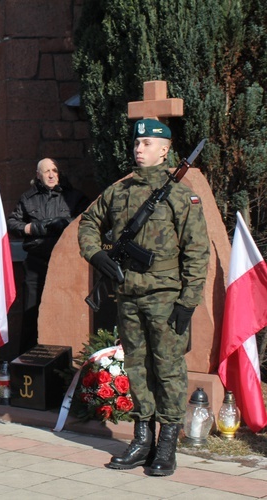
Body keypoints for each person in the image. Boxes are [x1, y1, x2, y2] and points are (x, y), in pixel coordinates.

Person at [78, 119, 210, 476]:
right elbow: (88, 222)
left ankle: (166, 444)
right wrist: (97, 255)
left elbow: (198, 252)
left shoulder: (182, 196)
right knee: (137, 368)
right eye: (137, 143)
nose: (139, 148)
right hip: (129, 296)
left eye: (148, 143)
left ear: (165, 150)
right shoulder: (118, 192)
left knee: (168, 370)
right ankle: (141, 439)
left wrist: (188, 302)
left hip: (166, 297)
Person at [7, 158, 88, 355]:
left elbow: (87, 219)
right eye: (46, 171)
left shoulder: (74, 197)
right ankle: (26, 361)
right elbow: (12, 224)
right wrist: (35, 227)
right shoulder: (28, 199)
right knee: (31, 312)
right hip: (36, 263)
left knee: (65, 312)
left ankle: (66, 361)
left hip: (65, 265)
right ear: (38, 175)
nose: (51, 175)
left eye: (54, 171)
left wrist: (65, 223)